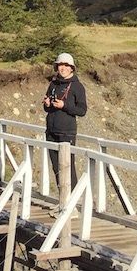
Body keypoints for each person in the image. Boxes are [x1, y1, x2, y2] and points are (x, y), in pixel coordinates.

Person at [43, 52, 87, 193]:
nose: (63, 68)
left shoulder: (77, 87)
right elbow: (47, 109)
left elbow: (82, 110)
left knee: (68, 168)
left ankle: (73, 201)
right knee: (56, 168)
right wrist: (47, 104)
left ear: (72, 68)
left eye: (66, 65)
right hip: (51, 131)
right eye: (61, 65)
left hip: (67, 133)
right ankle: (63, 200)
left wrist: (64, 106)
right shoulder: (53, 84)